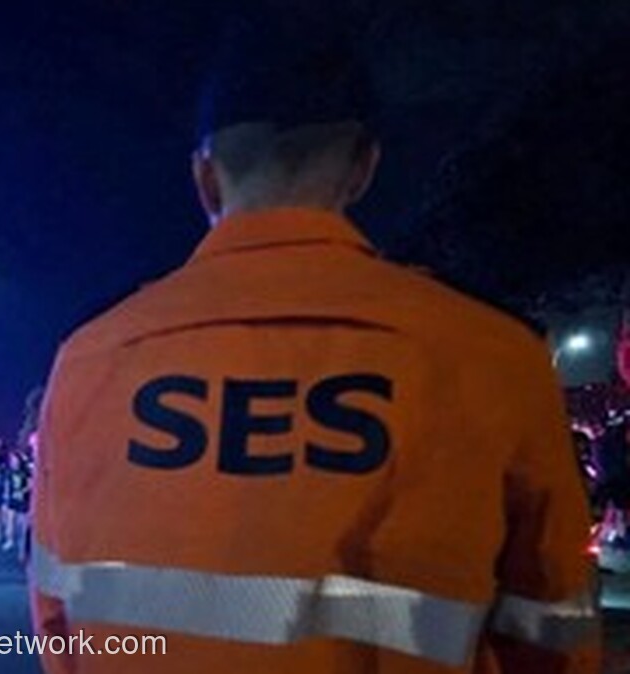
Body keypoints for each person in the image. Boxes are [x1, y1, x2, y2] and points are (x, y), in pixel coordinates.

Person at [29, 9, 598, 673]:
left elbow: (57, 625)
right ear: (362, 168)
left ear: (206, 177)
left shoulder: (91, 360)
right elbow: (554, 639)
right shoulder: (493, 357)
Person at [5, 447, 33, 559]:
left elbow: (31, 484)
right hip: (13, 498)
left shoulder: (25, 471)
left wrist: (22, 491)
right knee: (10, 520)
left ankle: (22, 546)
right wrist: (7, 494)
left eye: (15, 460)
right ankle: (9, 540)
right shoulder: (10, 471)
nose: (13, 462)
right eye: (11, 460)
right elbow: (8, 484)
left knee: (23, 523)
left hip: (23, 499)